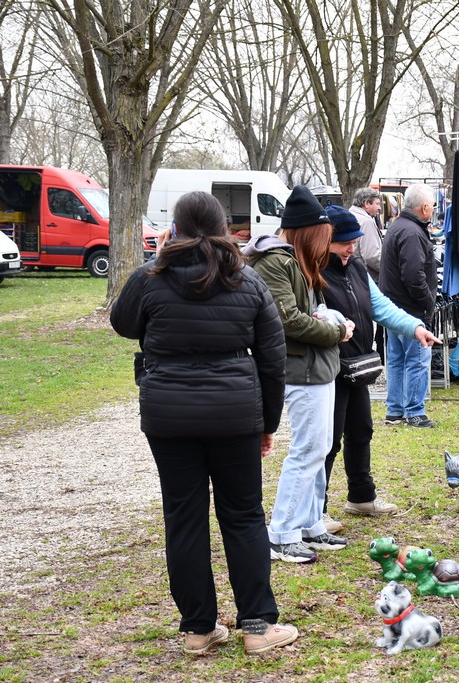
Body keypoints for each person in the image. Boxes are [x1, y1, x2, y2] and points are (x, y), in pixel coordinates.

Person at [110, 191, 299, 655]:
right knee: (243, 515)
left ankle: (198, 627)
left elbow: (124, 323)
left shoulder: (150, 278)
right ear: (223, 228)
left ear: (174, 228)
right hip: (235, 415)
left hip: (169, 416)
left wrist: (157, 268)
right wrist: (268, 423)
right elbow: (273, 359)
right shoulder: (247, 280)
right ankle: (257, 625)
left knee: (184, 517)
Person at [243, 186, 353, 564]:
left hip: (315, 367)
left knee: (319, 447)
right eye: (322, 237)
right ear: (307, 233)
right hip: (299, 370)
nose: (326, 247)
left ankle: (309, 523)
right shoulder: (275, 261)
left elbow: (302, 313)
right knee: (308, 449)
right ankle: (282, 532)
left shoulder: (295, 261)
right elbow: (286, 320)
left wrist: (331, 323)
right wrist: (335, 331)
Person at [318, 205, 441, 526]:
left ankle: (361, 497)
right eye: (344, 243)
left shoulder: (356, 267)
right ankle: (317, 509)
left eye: (354, 242)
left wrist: (414, 327)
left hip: (357, 365)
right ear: (325, 240)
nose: (351, 248)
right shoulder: (314, 272)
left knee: (361, 431)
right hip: (329, 369)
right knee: (328, 441)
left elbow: (380, 306)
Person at [379, 183, 438, 428]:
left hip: (394, 307)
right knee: (416, 359)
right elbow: (414, 276)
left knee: (396, 359)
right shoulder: (412, 232)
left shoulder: (398, 226)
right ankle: (414, 411)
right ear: (424, 207)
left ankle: (395, 410)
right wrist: (428, 301)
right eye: (432, 205)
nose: (433, 209)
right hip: (410, 309)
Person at [348, 187, 387, 360]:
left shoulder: (351, 215)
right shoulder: (367, 222)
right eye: (377, 204)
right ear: (366, 203)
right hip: (368, 278)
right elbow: (372, 256)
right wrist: (388, 270)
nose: (379, 208)